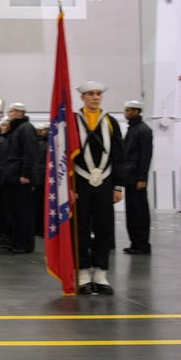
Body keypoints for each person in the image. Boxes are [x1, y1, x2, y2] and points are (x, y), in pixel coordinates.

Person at [72, 81, 124, 295]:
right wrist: (68, 185)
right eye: (90, 94)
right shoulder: (73, 122)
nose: (95, 98)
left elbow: (119, 156)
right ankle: (83, 271)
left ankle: (101, 272)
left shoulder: (110, 122)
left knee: (104, 229)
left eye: (98, 94)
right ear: (82, 97)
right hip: (80, 184)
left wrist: (118, 186)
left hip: (105, 182)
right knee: (81, 228)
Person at [0, 102, 38, 254]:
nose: (9, 114)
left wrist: (26, 174)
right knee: (15, 212)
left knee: (23, 213)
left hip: (20, 179)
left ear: (20, 113)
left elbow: (29, 153)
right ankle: (17, 240)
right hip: (12, 178)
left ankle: (24, 243)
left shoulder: (26, 129)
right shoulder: (16, 129)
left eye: (11, 111)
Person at [122, 100, 153, 255]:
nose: (125, 113)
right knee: (132, 213)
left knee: (140, 213)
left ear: (136, 112)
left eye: (128, 110)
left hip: (136, 178)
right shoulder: (132, 129)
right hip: (129, 177)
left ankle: (142, 244)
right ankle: (134, 243)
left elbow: (146, 156)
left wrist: (142, 177)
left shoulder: (143, 130)